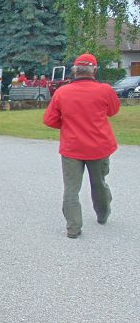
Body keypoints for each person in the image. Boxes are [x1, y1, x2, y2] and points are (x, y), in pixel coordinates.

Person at [43, 53, 120, 239]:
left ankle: (73, 228)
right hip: (99, 146)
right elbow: (113, 111)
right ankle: (102, 214)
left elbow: (49, 120)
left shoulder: (62, 92)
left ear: (75, 70)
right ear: (94, 70)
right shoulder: (105, 90)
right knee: (99, 183)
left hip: (72, 148)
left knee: (71, 188)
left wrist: (68, 125)